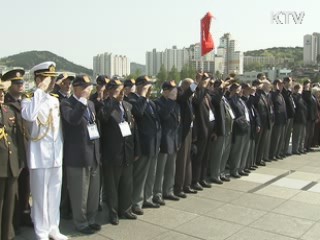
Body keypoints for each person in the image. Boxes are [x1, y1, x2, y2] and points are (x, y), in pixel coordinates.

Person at [21, 61, 68, 240]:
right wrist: (39, 90)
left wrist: (61, 152)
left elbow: (58, 130)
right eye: (49, 79)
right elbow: (29, 116)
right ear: (39, 79)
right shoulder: (29, 99)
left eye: (53, 79)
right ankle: (40, 231)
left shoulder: (54, 99)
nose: (53, 82)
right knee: (40, 196)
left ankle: (53, 228)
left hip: (56, 155)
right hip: (39, 155)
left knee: (54, 194)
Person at [60, 75, 101, 235]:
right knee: (80, 194)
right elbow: (73, 119)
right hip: (78, 156)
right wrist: (82, 101)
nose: (88, 89)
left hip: (93, 154)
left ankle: (91, 219)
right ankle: (80, 222)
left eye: (89, 86)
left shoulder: (91, 104)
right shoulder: (66, 103)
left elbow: (94, 127)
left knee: (93, 192)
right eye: (84, 87)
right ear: (75, 88)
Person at [99, 79, 139, 225]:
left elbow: (134, 130)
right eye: (118, 91)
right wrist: (111, 101)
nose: (122, 94)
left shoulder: (128, 106)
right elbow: (102, 121)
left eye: (123, 90)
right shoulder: (104, 106)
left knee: (126, 184)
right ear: (109, 91)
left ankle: (126, 210)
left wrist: (136, 150)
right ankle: (113, 212)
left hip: (127, 152)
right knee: (112, 186)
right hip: (112, 154)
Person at [2, 69, 33, 230]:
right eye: (17, 83)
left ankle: (24, 213)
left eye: (22, 82)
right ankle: (14, 220)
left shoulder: (25, 101)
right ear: (9, 85)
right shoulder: (5, 103)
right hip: (12, 151)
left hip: (26, 149)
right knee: (13, 188)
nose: (21, 85)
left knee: (25, 185)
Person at [129, 75, 162, 215]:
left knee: (151, 174)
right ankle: (136, 202)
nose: (151, 88)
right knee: (140, 176)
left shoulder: (150, 102)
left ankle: (147, 198)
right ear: (142, 85)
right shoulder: (132, 99)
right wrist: (142, 94)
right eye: (148, 85)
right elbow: (138, 113)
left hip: (153, 143)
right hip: (143, 144)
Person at [0, 79, 23, 240]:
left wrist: (19, 161)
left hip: (11, 164)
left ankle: (7, 234)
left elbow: (16, 138)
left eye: (2, 92)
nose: (1, 95)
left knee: (9, 204)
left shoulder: (8, 110)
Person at [153, 80, 181, 204]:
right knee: (160, 170)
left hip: (174, 140)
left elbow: (178, 124)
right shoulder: (157, 103)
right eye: (172, 90)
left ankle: (168, 191)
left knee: (171, 169)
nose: (175, 93)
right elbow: (163, 116)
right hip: (163, 141)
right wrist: (170, 100)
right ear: (165, 91)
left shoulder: (176, 104)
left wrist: (178, 140)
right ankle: (157, 193)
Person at [174, 78, 198, 195]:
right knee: (181, 161)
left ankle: (186, 185)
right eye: (191, 87)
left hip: (189, 131)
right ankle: (179, 188)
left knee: (188, 160)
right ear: (185, 86)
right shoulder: (180, 95)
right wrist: (196, 82)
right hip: (182, 133)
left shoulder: (188, 98)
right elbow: (184, 97)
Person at [191, 73, 215, 189]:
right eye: (204, 80)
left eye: (207, 80)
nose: (206, 82)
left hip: (209, 129)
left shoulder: (207, 95)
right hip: (200, 130)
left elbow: (212, 111)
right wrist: (201, 85)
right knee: (198, 157)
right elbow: (196, 101)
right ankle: (195, 180)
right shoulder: (196, 93)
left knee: (206, 156)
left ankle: (202, 178)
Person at [269, 79, 287, 160]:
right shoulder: (273, 94)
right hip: (277, 121)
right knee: (275, 139)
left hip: (282, 120)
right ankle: (272, 154)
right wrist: (275, 88)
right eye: (279, 84)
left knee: (280, 139)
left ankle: (277, 153)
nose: (281, 86)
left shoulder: (280, 95)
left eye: (282, 84)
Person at [281, 77, 295, 156]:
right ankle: (282, 150)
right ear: (285, 82)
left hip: (291, 116)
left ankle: (285, 150)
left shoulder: (289, 92)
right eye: (289, 81)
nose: (291, 83)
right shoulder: (283, 92)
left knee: (288, 134)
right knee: (284, 134)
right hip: (286, 116)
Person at [292, 84, 307, 154]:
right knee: (296, 135)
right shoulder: (294, 96)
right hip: (297, 119)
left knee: (302, 135)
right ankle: (295, 149)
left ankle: (300, 148)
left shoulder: (301, 97)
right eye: (298, 89)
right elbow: (296, 106)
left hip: (303, 118)